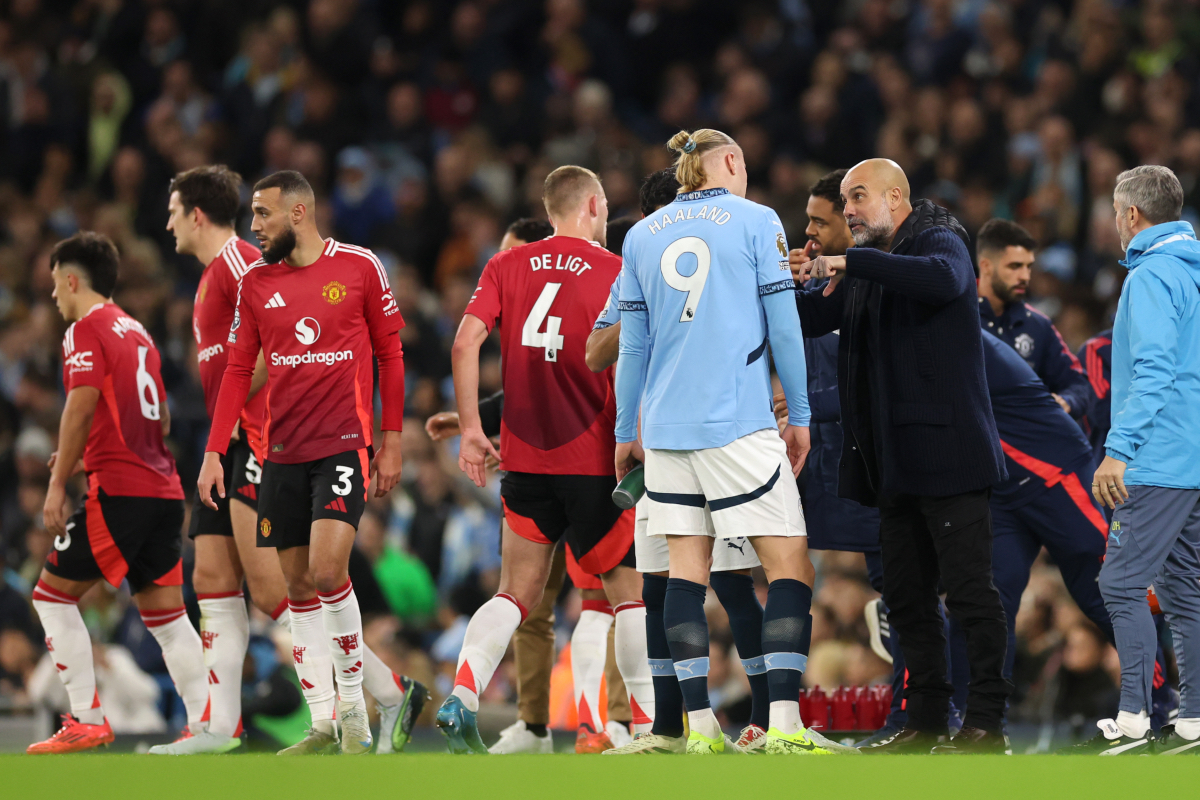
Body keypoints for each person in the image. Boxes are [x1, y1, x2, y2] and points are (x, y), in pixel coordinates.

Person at [168, 166, 425, 756]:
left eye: (262, 213)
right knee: (287, 586)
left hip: (337, 443)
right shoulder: (257, 282)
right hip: (275, 451)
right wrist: (212, 451)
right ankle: (318, 723)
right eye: (252, 213)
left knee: (327, 573)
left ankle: (361, 706)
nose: (253, 225)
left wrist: (392, 438)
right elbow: (237, 370)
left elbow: (390, 351)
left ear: (298, 213)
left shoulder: (359, 267)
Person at [616, 129, 853, 757]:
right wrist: (798, 414)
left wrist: (624, 432)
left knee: (684, 576)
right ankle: (782, 724)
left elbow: (631, 348)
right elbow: (784, 326)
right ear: (728, 164)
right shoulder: (757, 220)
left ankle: (698, 731)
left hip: (665, 432)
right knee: (790, 566)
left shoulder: (641, 236)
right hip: (737, 425)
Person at [795, 159, 1010, 754]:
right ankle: (927, 720)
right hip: (894, 466)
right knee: (907, 600)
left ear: (896, 196)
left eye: (858, 196)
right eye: (845, 200)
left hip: (949, 458)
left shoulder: (939, 237)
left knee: (969, 594)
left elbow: (941, 281)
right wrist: (780, 281)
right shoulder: (868, 264)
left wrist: (851, 260)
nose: (850, 210)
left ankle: (989, 723)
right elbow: (815, 318)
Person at [438, 165, 650, 755]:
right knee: (626, 594)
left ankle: (463, 693)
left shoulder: (505, 265)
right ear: (592, 205)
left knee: (515, 592)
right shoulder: (616, 269)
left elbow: (463, 343)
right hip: (594, 462)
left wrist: (475, 431)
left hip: (526, 463)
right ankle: (644, 726)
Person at [587, 167, 768, 756]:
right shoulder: (638, 265)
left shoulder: (733, 255)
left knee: (732, 585)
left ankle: (765, 722)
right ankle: (670, 728)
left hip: (725, 438)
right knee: (662, 587)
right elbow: (594, 352)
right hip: (664, 449)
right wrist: (643, 305)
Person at [27, 232, 208, 754]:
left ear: (72, 278)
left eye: (56, 284)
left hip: (121, 493)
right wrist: (91, 453)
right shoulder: (138, 332)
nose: (54, 296)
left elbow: (80, 405)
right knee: (168, 619)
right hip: (162, 489)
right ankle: (211, 726)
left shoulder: (84, 330)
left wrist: (59, 483)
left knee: (51, 598)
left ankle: (86, 718)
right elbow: (160, 415)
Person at [1089, 165, 1200, 755]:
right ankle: (1194, 722)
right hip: (1194, 459)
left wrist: (1119, 450)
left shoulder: (1153, 275)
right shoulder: (1195, 271)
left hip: (1157, 458)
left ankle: (1133, 720)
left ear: (1131, 215)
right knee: (1185, 591)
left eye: (1114, 211)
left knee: (1121, 581)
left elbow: (1155, 371)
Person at [975, 219, 1090, 420]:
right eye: (1015, 266)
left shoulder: (1038, 325)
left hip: (1024, 445)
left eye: (1029, 267)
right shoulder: (958, 316)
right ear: (986, 266)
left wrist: (1067, 401)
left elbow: (1077, 383)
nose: (1025, 277)